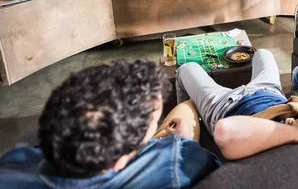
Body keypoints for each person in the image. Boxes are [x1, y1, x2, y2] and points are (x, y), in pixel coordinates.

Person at [0, 60, 220, 189]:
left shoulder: (10, 164)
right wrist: (182, 140)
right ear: (119, 161)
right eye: (152, 122)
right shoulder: (176, 159)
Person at [176, 48, 298, 160]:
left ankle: (185, 121)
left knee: (186, 68)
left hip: (226, 105)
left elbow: (223, 131)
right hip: (270, 91)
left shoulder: (286, 134)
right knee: (263, 53)